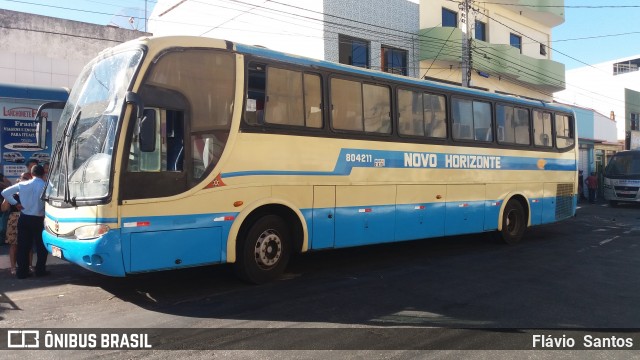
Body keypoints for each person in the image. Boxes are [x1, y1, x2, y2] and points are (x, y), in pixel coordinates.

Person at [1, 165, 48, 279]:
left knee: (23, 246)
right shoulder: (46, 186)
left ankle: (22, 272)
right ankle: (40, 270)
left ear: (31, 174)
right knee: (41, 246)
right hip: (39, 218)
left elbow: (5, 192)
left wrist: (15, 203)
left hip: (24, 217)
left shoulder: (22, 184)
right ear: (43, 174)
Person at [1, 173, 30, 275]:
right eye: (23, 179)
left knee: (28, 244)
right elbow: (3, 209)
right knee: (13, 245)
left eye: (27, 179)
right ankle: (13, 267)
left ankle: (30, 266)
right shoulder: (12, 195)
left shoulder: (29, 195)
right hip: (14, 219)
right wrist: (7, 199)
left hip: (27, 217)